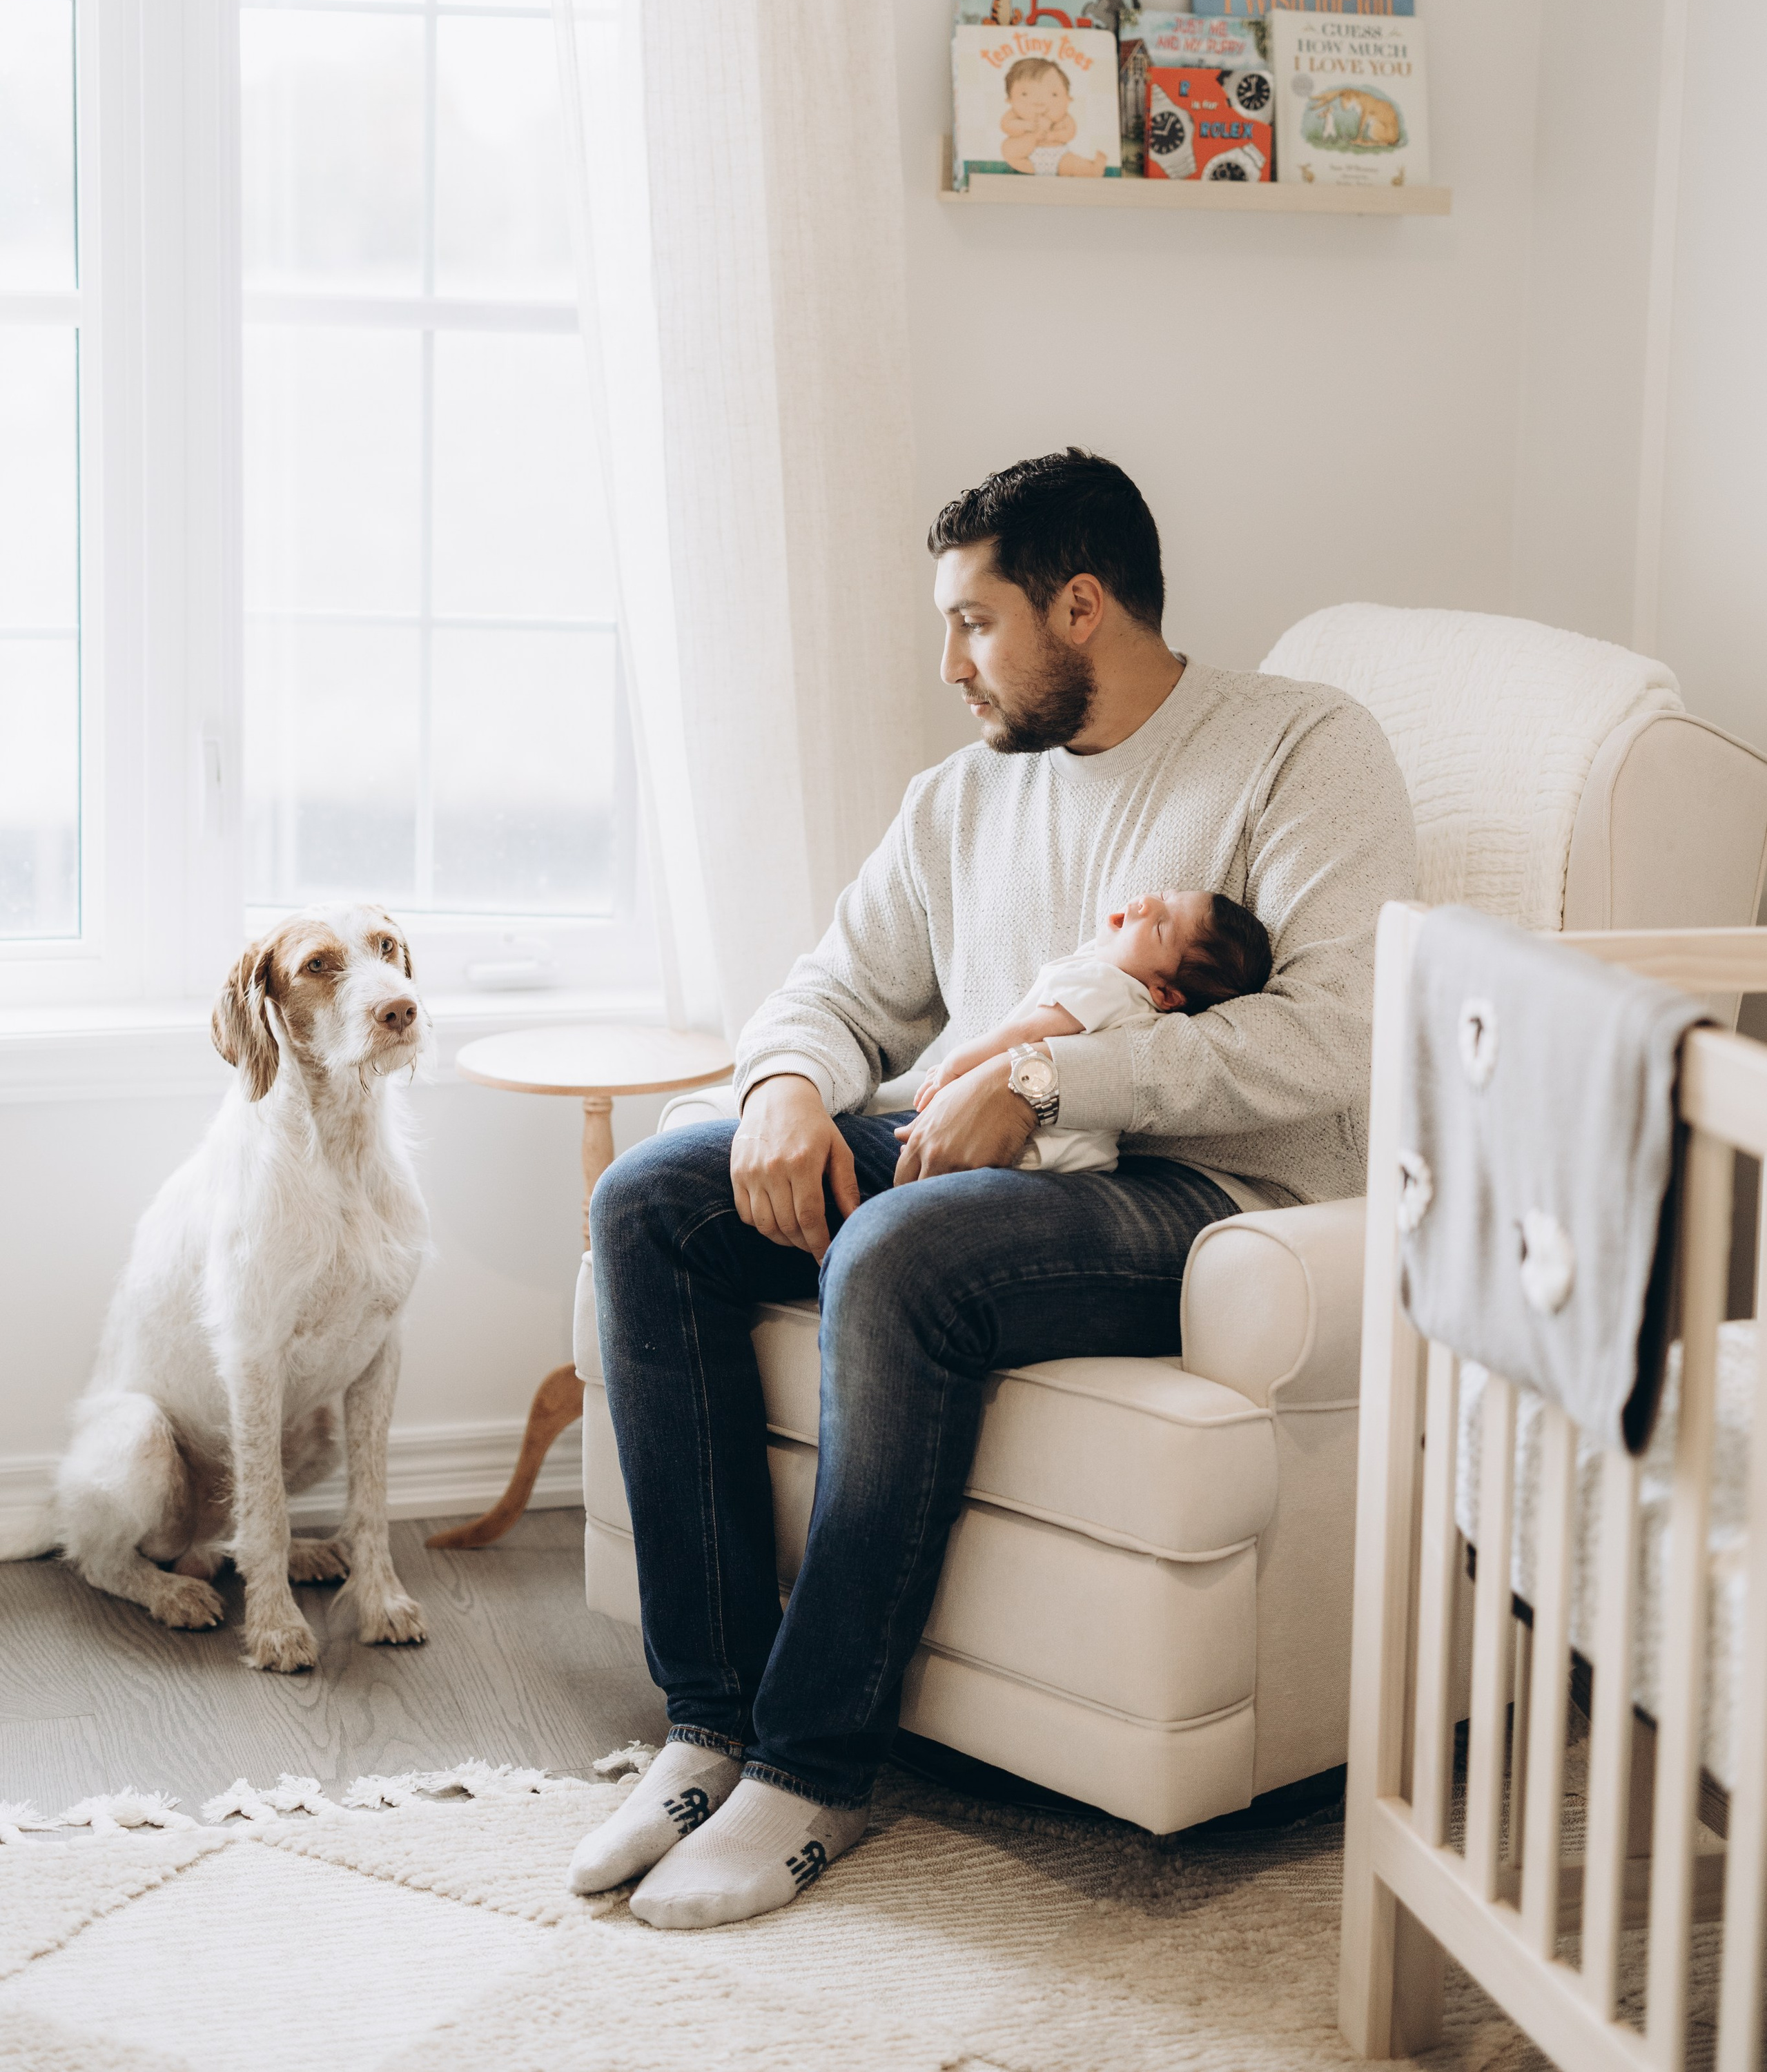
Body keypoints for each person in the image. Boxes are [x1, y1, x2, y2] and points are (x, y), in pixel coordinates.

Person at [570, 449, 1415, 1930]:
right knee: (653, 1202)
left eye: (973, 623)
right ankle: (706, 1726)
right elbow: (836, 986)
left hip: (1209, 1207)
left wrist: (1041, 1086)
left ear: (1080, 605)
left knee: (901, 1250)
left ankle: (812, 1763)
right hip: (966, 1153)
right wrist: (780, 1087)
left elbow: (1332, 1039)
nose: (948, 663)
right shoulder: (960, 798)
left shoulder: (1301, 748)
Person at [908, 886, 1273, 1174]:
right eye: (1163, 896)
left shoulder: (1108, 985)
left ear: (1166, 993)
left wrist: (955, 1065)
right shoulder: (1122, 986)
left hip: (1039, 1154)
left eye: (1161, 927)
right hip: (1072, 1157)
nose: (1145, 903)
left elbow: (1027, 1034)